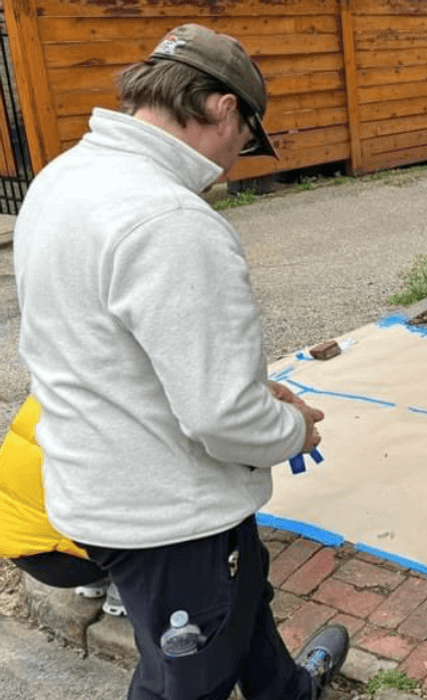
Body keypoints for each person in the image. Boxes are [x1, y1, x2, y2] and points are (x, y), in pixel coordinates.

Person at [13, 24, 347, 700]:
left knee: (242, 606)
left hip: (107, 478)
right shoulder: (169, 220)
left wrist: (254, 391)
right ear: (225, 108)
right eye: (247, 141)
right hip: (168, 515)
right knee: (183, 680)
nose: (234, 162)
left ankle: (287, 690)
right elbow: (222, 417)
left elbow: (120, 349)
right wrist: (292, 430)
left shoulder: (65, 175)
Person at [0, 396, 126, 616]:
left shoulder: (57, 379)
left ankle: (100, 579)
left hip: (16, 542)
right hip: (72, 556)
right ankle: (126, 582)